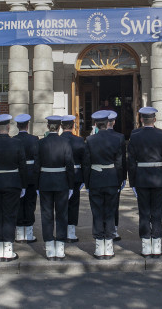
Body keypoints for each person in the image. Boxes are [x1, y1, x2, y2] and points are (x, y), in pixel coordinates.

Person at [0, 114, 27, 262]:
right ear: (8, 127)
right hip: (12, 183)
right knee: (9, 215)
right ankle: (8, 249)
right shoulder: (17, 143)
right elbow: (22, 166)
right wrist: (23, 184)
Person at [127, 107, 162, 257]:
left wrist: (132, 182)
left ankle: (146, 245)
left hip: (141, 178)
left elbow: (131, 161)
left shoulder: (135, 135)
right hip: (159, 178)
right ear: (154, 120)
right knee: (157, 212)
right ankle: (157, 245)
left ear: (141, 120)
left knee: (144, 212)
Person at [83, 110, 123, 260]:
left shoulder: (90, 140)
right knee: (110, 211)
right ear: (108, 124)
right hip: (112, 179)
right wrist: (119, 181)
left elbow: (86, 164)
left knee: (97, 212)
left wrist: (87, 183)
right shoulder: (117, 139)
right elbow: (119, 163)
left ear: (95, 125)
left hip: (95, 179)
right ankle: (109, 246)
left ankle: (99, 246)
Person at [37, 116, 74, 261]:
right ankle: (60, 247)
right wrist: (71, 185)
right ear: (59, 127)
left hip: (45, 181)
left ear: (48, 126)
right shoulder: (65, 142)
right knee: (61, 214)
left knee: (46, 215)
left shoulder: (41, 143)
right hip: (61, 181)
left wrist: (37, 183)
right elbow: (69, 165)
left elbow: (36, 166)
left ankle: (49, 248)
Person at [12, 114, 39, 243]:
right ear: (27, 125)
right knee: (30, 203)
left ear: (17, 126)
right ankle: (28, 233)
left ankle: (19, 233)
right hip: (31, 175)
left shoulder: (13, 140)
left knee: (18, 204)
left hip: (17, 175)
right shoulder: (34, 139)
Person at [60, 114, 85, 243]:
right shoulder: (79, 140)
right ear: (73, 126)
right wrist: (84, 178)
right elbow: (85, 161)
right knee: (74, 204)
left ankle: (62, 231)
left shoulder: (57, 140)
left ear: (61, 126)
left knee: (61, 204)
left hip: (60, 175)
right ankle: (71, 232)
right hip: (76, 174)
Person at [106, 111, 126, 241]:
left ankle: (103, 230)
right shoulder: (120, 137)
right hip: (114, 176)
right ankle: (114, 230)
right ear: (114, 122)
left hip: (98, 177)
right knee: (114, 204)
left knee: (101, 205)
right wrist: (123, 177)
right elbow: (121, 161)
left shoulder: (93, 138)